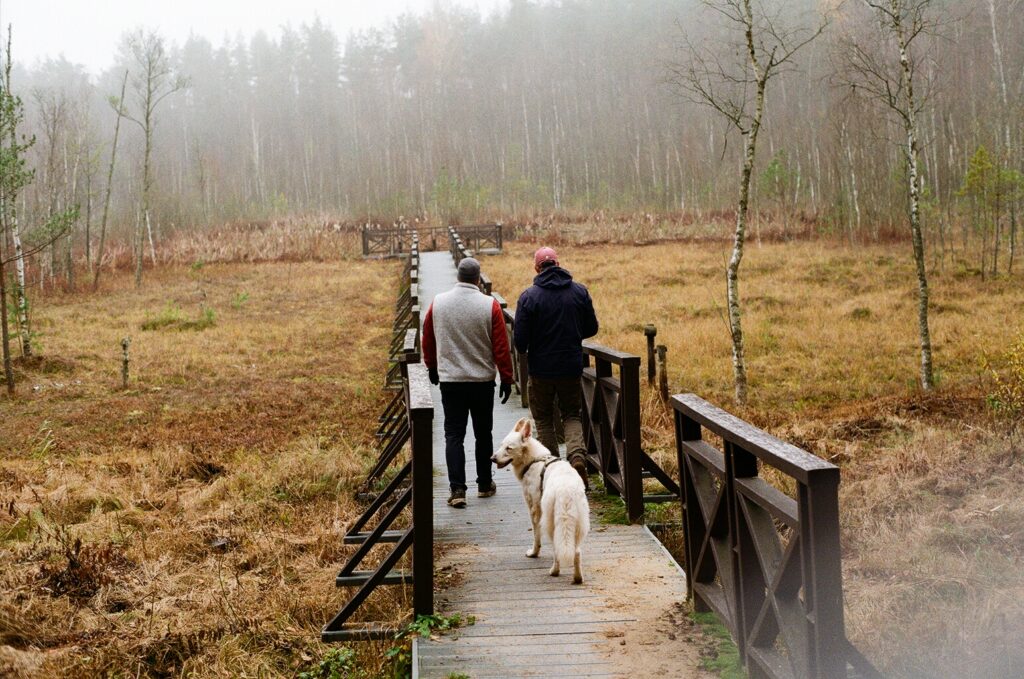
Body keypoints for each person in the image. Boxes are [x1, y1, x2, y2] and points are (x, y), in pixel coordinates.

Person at [423, 257, 514, 508]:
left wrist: (432, 366)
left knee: (454, 434)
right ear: (477, 278)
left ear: (458, 276)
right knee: (483, 433)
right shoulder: (489, 305)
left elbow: (428, 337)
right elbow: (501, 347)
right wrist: (506, 377)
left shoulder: (438, 302)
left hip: (451, 381)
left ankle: (457, 490)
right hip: (482, 381)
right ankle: (484, 484)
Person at [513, 246, 598, 488]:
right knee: (572, 414)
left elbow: (520, 342)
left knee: (543, 419)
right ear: (558, 264)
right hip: (571, 366)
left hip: (541, 369)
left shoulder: (529, 297)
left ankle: (552, 469)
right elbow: (591, 327)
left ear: (536, 268)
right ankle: (577, 458)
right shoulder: (579, 291)